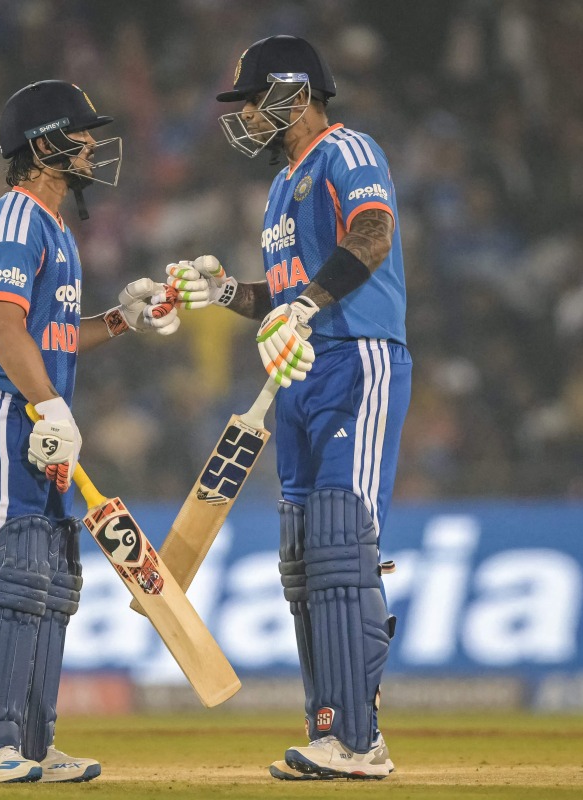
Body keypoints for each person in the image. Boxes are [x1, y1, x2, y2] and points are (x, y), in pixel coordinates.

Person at [165, 36, 409, 780]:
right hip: (300, 371)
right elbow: (284, 300)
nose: (242, 115)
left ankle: (362, 740)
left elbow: (372, 233)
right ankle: (330, 728)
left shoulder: (348, 149)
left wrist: (306, 302)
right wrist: (228, 295)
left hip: (355, 358)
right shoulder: (279, 188)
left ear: (295, 92)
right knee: (303, 557)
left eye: (250, 99)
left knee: (340, 541)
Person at [0, 80, 179, 783]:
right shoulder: (16, 219)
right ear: (44, 143)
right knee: (8, 570)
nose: (91, 147)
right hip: (0, 416)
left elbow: (52, 335)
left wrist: (120, 320)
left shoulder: (54, 229)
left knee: (47, 579)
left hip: (37, 420)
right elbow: (4, 328)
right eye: (79, 135)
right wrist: (47, 405)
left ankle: (31, 746)